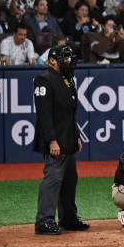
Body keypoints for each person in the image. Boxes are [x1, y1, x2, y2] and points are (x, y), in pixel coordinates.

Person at [33, 45, 89, 235]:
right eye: (65, 58)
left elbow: (70, 114)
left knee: (70, 179)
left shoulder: (67, 80)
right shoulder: (44, 79)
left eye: (69, 58)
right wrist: (51, 141)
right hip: (55, 141)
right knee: (53, 178)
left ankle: (68, 218)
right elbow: (44, 114)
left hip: (68, 139)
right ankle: (44, 220)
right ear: (52, 61)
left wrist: (76, 136)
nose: (69, 61)